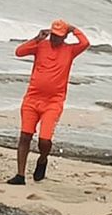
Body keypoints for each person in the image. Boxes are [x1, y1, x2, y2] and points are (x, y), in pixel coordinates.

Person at [7, 20, 89, 185]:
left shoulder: (70, 50)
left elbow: (85, 43)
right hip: (32, 98)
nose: (54, 39)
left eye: (59, 36)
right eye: (53, 35)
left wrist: (74, 29)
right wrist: (37, 38)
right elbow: (19, 52)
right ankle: (20, 175)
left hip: (53, 101)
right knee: (25, 136)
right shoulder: (41, 45)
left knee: (44, 140)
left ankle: (43, 159)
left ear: (65, 36)